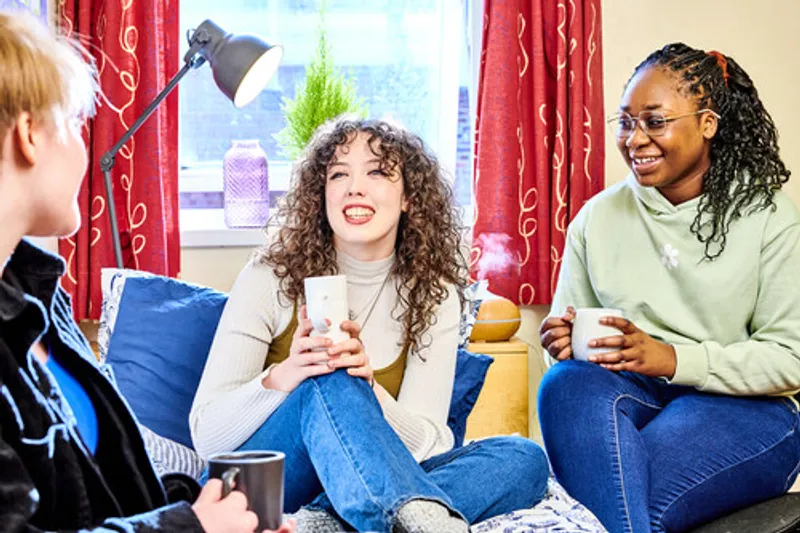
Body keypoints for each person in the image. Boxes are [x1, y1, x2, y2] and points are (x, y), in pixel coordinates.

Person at [0, 11, 295, 533]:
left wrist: (217, 511)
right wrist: (193, 527)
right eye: (73, 123)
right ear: (28, 135)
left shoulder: (44, 298)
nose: (84, 148)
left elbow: (117, 491)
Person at [190, 116, 549, 533]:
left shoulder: (433, 295)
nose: (354, 187)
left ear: (409, 198)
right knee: (330, 377)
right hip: (261, 486)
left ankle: (322, 525)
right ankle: (413, 523)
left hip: (369, 481)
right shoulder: (271, 276)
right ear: (320, 194)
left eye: (377, 172)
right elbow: (207, 437)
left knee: (522, 459)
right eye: (338, 174)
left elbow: (430, 443)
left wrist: (370, 387)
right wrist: (287, 376)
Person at [537, 42, 800, 533]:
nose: (635, 139)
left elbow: (791, 359)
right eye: (625, 122)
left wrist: (673, 358)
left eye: (654, 121)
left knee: (624, 501)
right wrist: (561, 343)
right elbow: (574, 353)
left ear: (708, 123)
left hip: (744, 409)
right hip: (629, 396)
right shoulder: (598, 218)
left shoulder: (771, 219)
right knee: (563, 385)